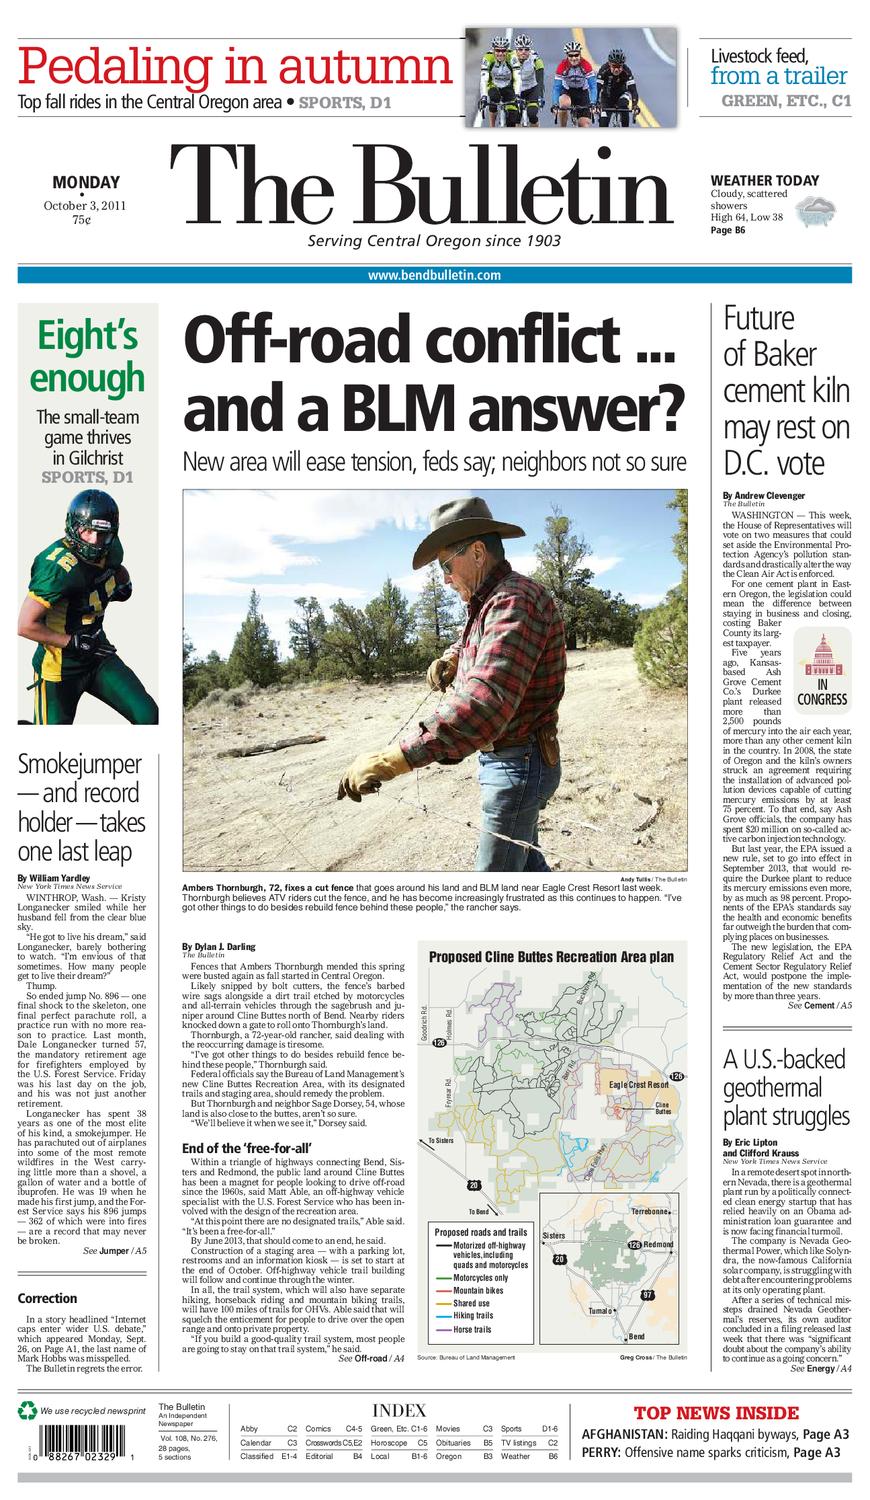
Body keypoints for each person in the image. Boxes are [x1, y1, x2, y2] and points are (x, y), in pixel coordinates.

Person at [338, 498, 567, 873]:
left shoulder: (514, 602)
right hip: (512, 760)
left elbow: (484, 704)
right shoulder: (491, 601)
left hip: (519, 764)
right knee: (525, 864)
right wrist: (452, 658)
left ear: (477, 552)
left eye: (446, 565)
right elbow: (475, 639)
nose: (444, 578)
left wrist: (390, 760)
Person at [19, 488, 159, 724]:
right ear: (74, 527)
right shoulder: (56, 567)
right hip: (60, 664)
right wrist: (72, 642)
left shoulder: (111, 548)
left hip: (97, 652)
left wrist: (122, 585)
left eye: (102, 533)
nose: (95, 540)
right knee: (48, 749)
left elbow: (117, 567)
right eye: (87, 531)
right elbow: (24, 625)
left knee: (149, 716)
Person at [552, 40, 596, 126]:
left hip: (582, 93)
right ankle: (563, 127)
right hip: (567, 91)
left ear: (580, 54)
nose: (574, 58)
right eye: (571, 55)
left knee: (584, 125)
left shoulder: (586, 65)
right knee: (564, 104)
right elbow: (556, 88)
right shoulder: (562, 65)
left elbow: (593, 86)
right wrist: (555, 104)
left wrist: (593, 103)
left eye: (576, 55)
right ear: (567, 56)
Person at [479, 36, 520, 127]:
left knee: (512, 121)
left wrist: (517, 94)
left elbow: (517, 78)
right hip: (494, 85)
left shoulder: (512, 57)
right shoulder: (488, 57)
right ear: (493, 50)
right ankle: (492, 126)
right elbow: (484, 79)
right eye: (497, 50)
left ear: (507, 50)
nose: (500, 53)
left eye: (503, 51)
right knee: (494, 98)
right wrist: (484, 97)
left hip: (508, 87)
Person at [596, 47, 639, 127]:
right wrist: (596, 103)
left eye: (619, 67)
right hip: (607, 97)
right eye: (614, 66)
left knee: (623, 106)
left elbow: (633, 90)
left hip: (621, 95)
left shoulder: (626, 71)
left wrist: (634, 105)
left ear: (623, 65)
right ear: (609, 63)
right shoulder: (604, 70)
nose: (616, 69)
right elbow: (597, 88)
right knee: (603, 123)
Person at [510, 35, 545, 126]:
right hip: (516, 90)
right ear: (516, 50)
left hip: (531, 89)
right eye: (520, 49)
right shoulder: (509, 58)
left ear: (530, 50)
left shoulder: (535, 59)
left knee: (532, 114)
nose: (523, 52)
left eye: (526, 49)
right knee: (515, 117)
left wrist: (541, 96)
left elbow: (540, 80)